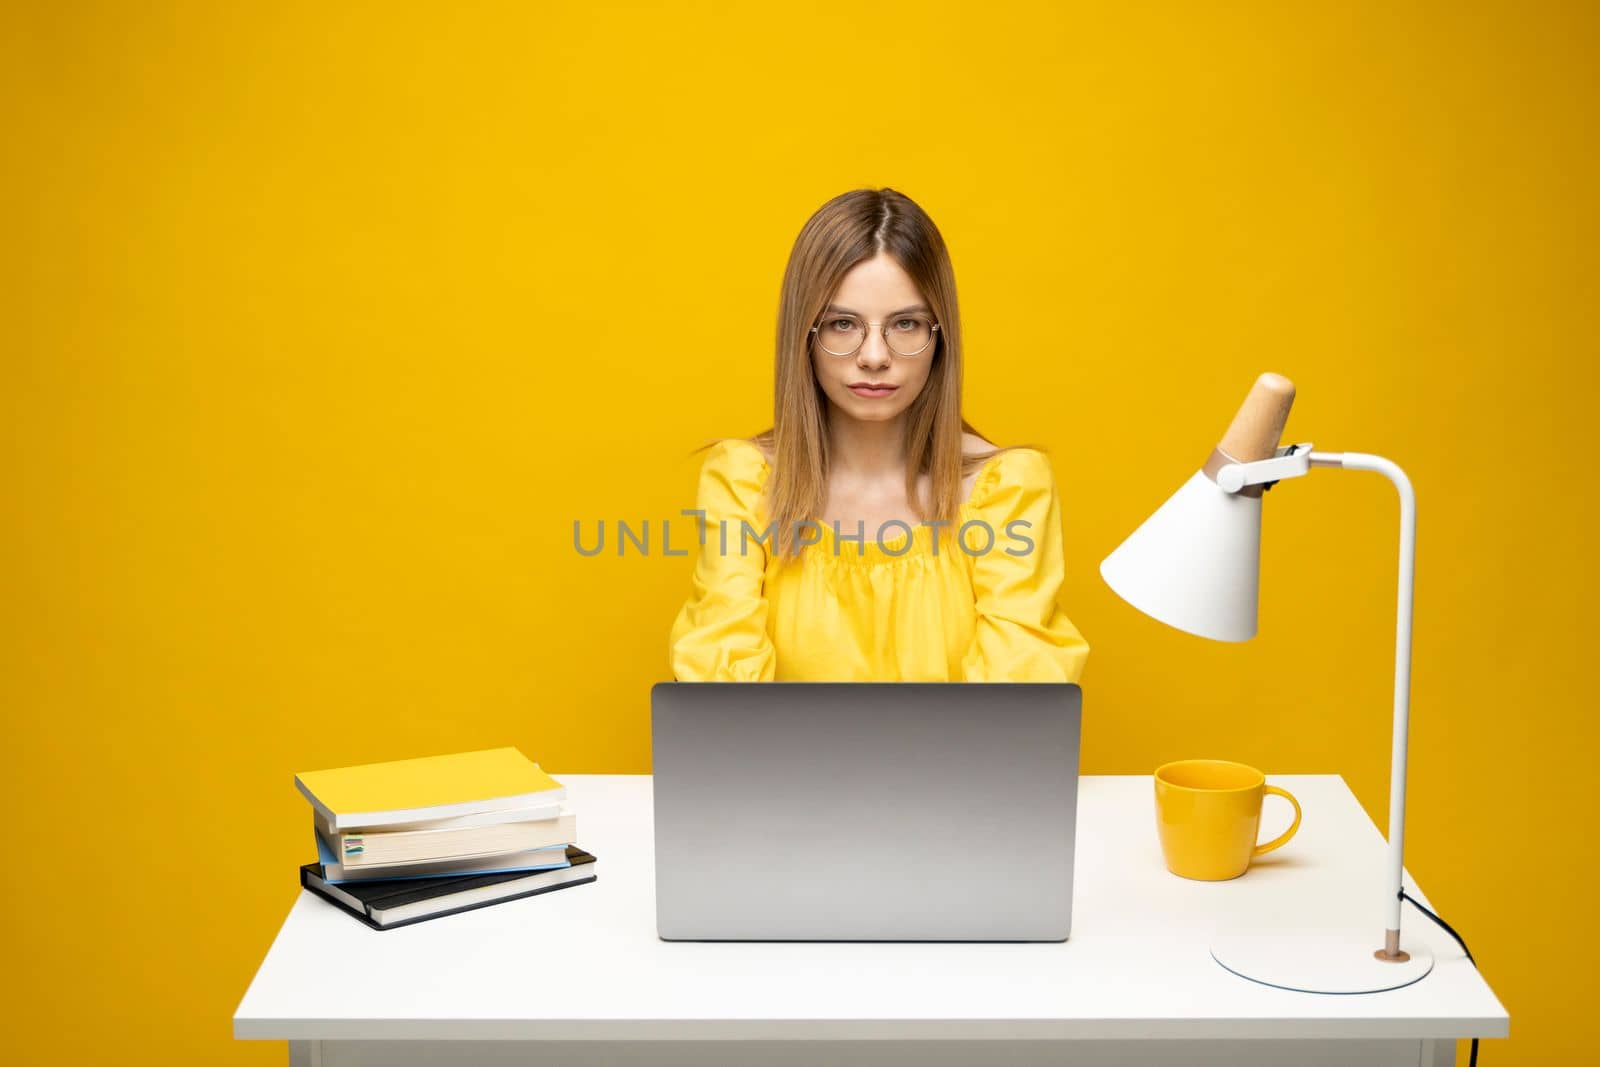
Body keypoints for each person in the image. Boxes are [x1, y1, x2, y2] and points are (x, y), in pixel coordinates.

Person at [668, 187, 1089, 682]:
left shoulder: (1009, 488)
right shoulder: (743, 481)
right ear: (803, 335)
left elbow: (1016, 707)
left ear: (940, 337)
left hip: (954, 764)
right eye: (842, 324)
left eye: (905, 324)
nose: (873, 356)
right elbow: (719, 700)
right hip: (783, 764)